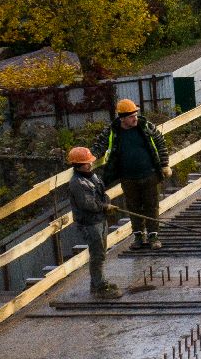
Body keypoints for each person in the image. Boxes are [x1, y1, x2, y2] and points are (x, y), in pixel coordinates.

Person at [95, 99, 169, 249]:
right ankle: (138, 236)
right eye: (131, 116)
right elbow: (99, 146)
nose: (135, 118)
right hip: (127, 177)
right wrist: (88, 159)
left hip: (149, 174)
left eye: (136, 114)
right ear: (122, 118)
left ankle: (153, 236)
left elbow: (160, 143)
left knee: (151, 206)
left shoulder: (146, 126)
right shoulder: (113, 131)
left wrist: (164, 164)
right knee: (133, 207)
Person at [66, 146, 121, 299]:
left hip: (99, 219)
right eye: (86, 163)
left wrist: (107, 202)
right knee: (97, 255)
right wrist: (105, 206)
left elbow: (102, 193)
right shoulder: (77, 183)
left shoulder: (91, 177)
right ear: (77, 165)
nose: (90, 164)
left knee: (101, 253)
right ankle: (99, 287)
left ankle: (97, 283)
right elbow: (87, 204)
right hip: (89, 223)